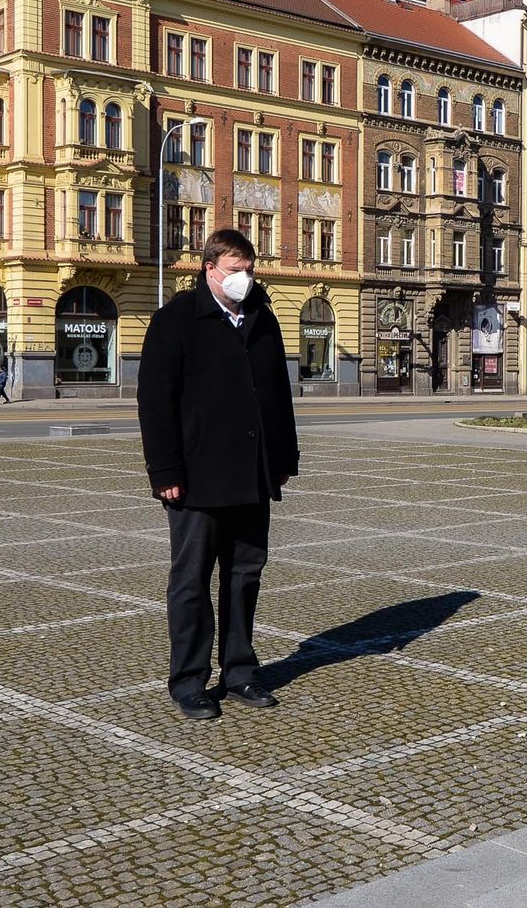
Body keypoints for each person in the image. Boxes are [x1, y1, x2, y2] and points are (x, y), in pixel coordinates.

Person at [139, 228, 299, 721]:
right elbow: (155, 402)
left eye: (249, 270)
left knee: (245, 575)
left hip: (252, 475)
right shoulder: (175, 320)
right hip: (195, 479)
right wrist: (164, 470)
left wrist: (285, 457)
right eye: (235, 270)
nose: (244, 279)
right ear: (209, 268)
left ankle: (240, 671)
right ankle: (188, 681)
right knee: (190, 581)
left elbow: (277, 395)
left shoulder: (261, 320)